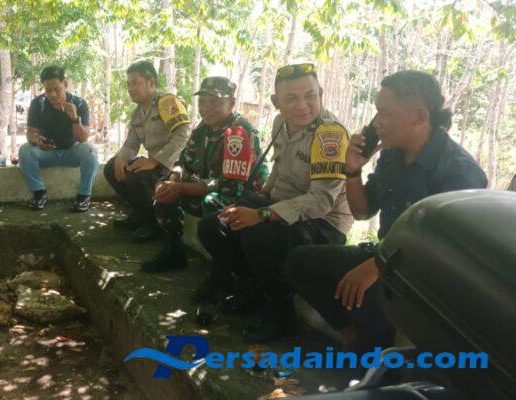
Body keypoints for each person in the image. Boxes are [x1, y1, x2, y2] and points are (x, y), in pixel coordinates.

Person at [285, 70, 488, 353]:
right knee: (299, 262)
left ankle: (370, 357)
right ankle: (350, 331)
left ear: (418, 116)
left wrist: (379, 265)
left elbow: (445, 255)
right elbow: (362, 212)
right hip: (384, 256)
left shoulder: (459, 173)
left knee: (369, 298)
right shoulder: (392, 153)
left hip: (421, 276)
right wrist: (352, 171)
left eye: (384, 113)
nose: (376, 122)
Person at [195, 63, 353, 342]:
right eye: (291, 98)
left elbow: (321, 201)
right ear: (276, 101)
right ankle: (251, 289)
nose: (302, 105)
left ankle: (281, 315)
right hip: (281, 209)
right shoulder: (281, 123)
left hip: (323, 224)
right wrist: (260, 199)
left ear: (321, 93)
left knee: (259, 234)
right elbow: (280, 168)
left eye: (310, 96)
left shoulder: (329, 135)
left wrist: (262, 213)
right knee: (214, 225)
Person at [141, 76, 267, 272]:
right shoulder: (202, 128)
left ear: (231, 103)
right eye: (202, 102)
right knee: (164, 188)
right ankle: (173, 251)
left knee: (212, 202)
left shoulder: (238, 132)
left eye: (214, 102)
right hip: (208, 186)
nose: (206, 108)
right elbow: (183, 162)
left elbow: (229, 188)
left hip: (244, 196)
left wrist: (181, 187)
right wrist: (174, 178)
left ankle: (223, 271)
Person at [104, 60, 192, 242]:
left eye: (135, 83)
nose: (131, 88)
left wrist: (155, 160)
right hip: (156, 165)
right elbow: (131, 144)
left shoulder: (167, 102)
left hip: (175, 166)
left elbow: (184, 134)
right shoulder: (137, 113)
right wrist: (120, 158)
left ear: (151, 82)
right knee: (112, 168)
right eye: (128, 84)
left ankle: (153, 224)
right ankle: (139, 214)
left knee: (137, 176)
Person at [18, 65, 98, 212]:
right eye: (48, 90)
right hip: (46, 153)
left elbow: (83, 138)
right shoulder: (38, 103)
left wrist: (75, 119)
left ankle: (83, 196)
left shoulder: (79, 104)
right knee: (25, 150)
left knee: (90, 150)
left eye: (57, 89)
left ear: (65, 84)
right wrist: (38, 141)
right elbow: (30, 133)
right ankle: (39, 193)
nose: (53, 94)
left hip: (71, 152)